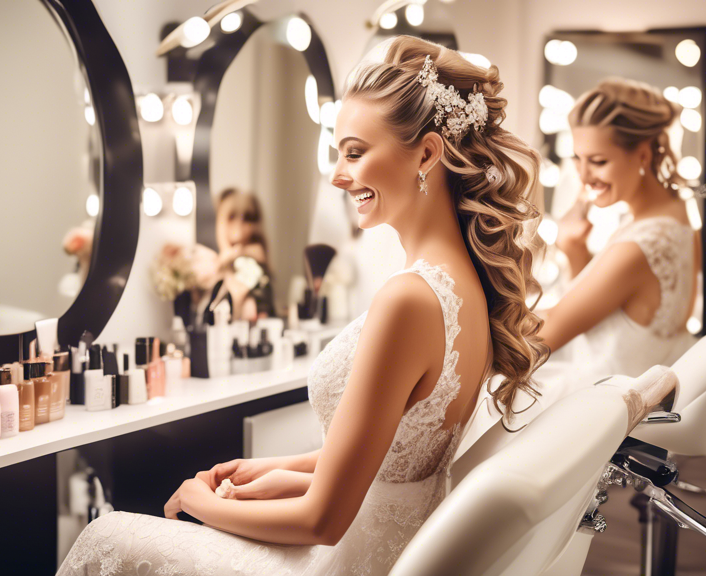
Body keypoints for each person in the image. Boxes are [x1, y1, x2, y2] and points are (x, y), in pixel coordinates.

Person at [57, 39, 673, 576]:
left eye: (354, 153)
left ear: (428, 155)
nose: (337, 176)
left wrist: (198, 500)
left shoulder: (410, 299)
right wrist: (276, 469)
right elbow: (395, 460)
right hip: (387, 540)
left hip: (348, 560)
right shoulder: (465, 284)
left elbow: (324, 520)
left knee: (106, 534)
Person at [522, 78, 701, 419]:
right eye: (577, 158)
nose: (584, 175)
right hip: (629, 406)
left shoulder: (638, 247)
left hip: (598, 416)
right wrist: (574, 248)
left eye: (599, 161)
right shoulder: (680, 220)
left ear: (643, 154)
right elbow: (617, 311)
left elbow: (546, 336)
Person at [214, 188, 276, 321]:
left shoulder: (254, 262)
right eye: (231, 217)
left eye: (248, 219)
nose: (239, 225)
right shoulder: (215, 262)